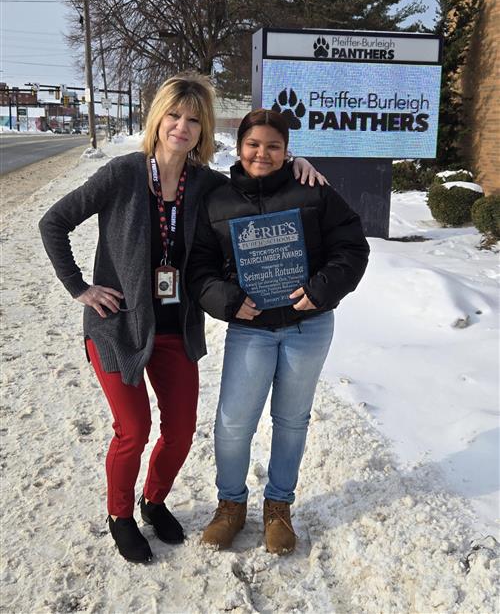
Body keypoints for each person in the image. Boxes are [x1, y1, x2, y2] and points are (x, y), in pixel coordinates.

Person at [39, 74, 325, 564]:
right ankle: (121, 515)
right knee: (133, 429)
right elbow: (54, 222)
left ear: (203, 128)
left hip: (176, 329)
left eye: (193, 119)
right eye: (174, 115)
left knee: (181, 430)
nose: (182, 126)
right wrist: (81, 288)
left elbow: (257, 171)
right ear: (158, 119)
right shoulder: (123, 174)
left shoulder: (206, 183)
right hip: (119, 327)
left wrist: (294, 161)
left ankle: (153, 501)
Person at [188, 109, 370, 555]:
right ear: (240, 145)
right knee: (233, 422)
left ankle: (278, 507)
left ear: (288, 150)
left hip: (307, 325)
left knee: (291, 420)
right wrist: (227, 300)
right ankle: (230, 505)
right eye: (254, 144)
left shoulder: (313, 190)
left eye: (273, 145)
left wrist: (322, 289)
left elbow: (351, 246)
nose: (262, 153)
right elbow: (199, 268)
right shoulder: (217, 199)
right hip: (251, 328)